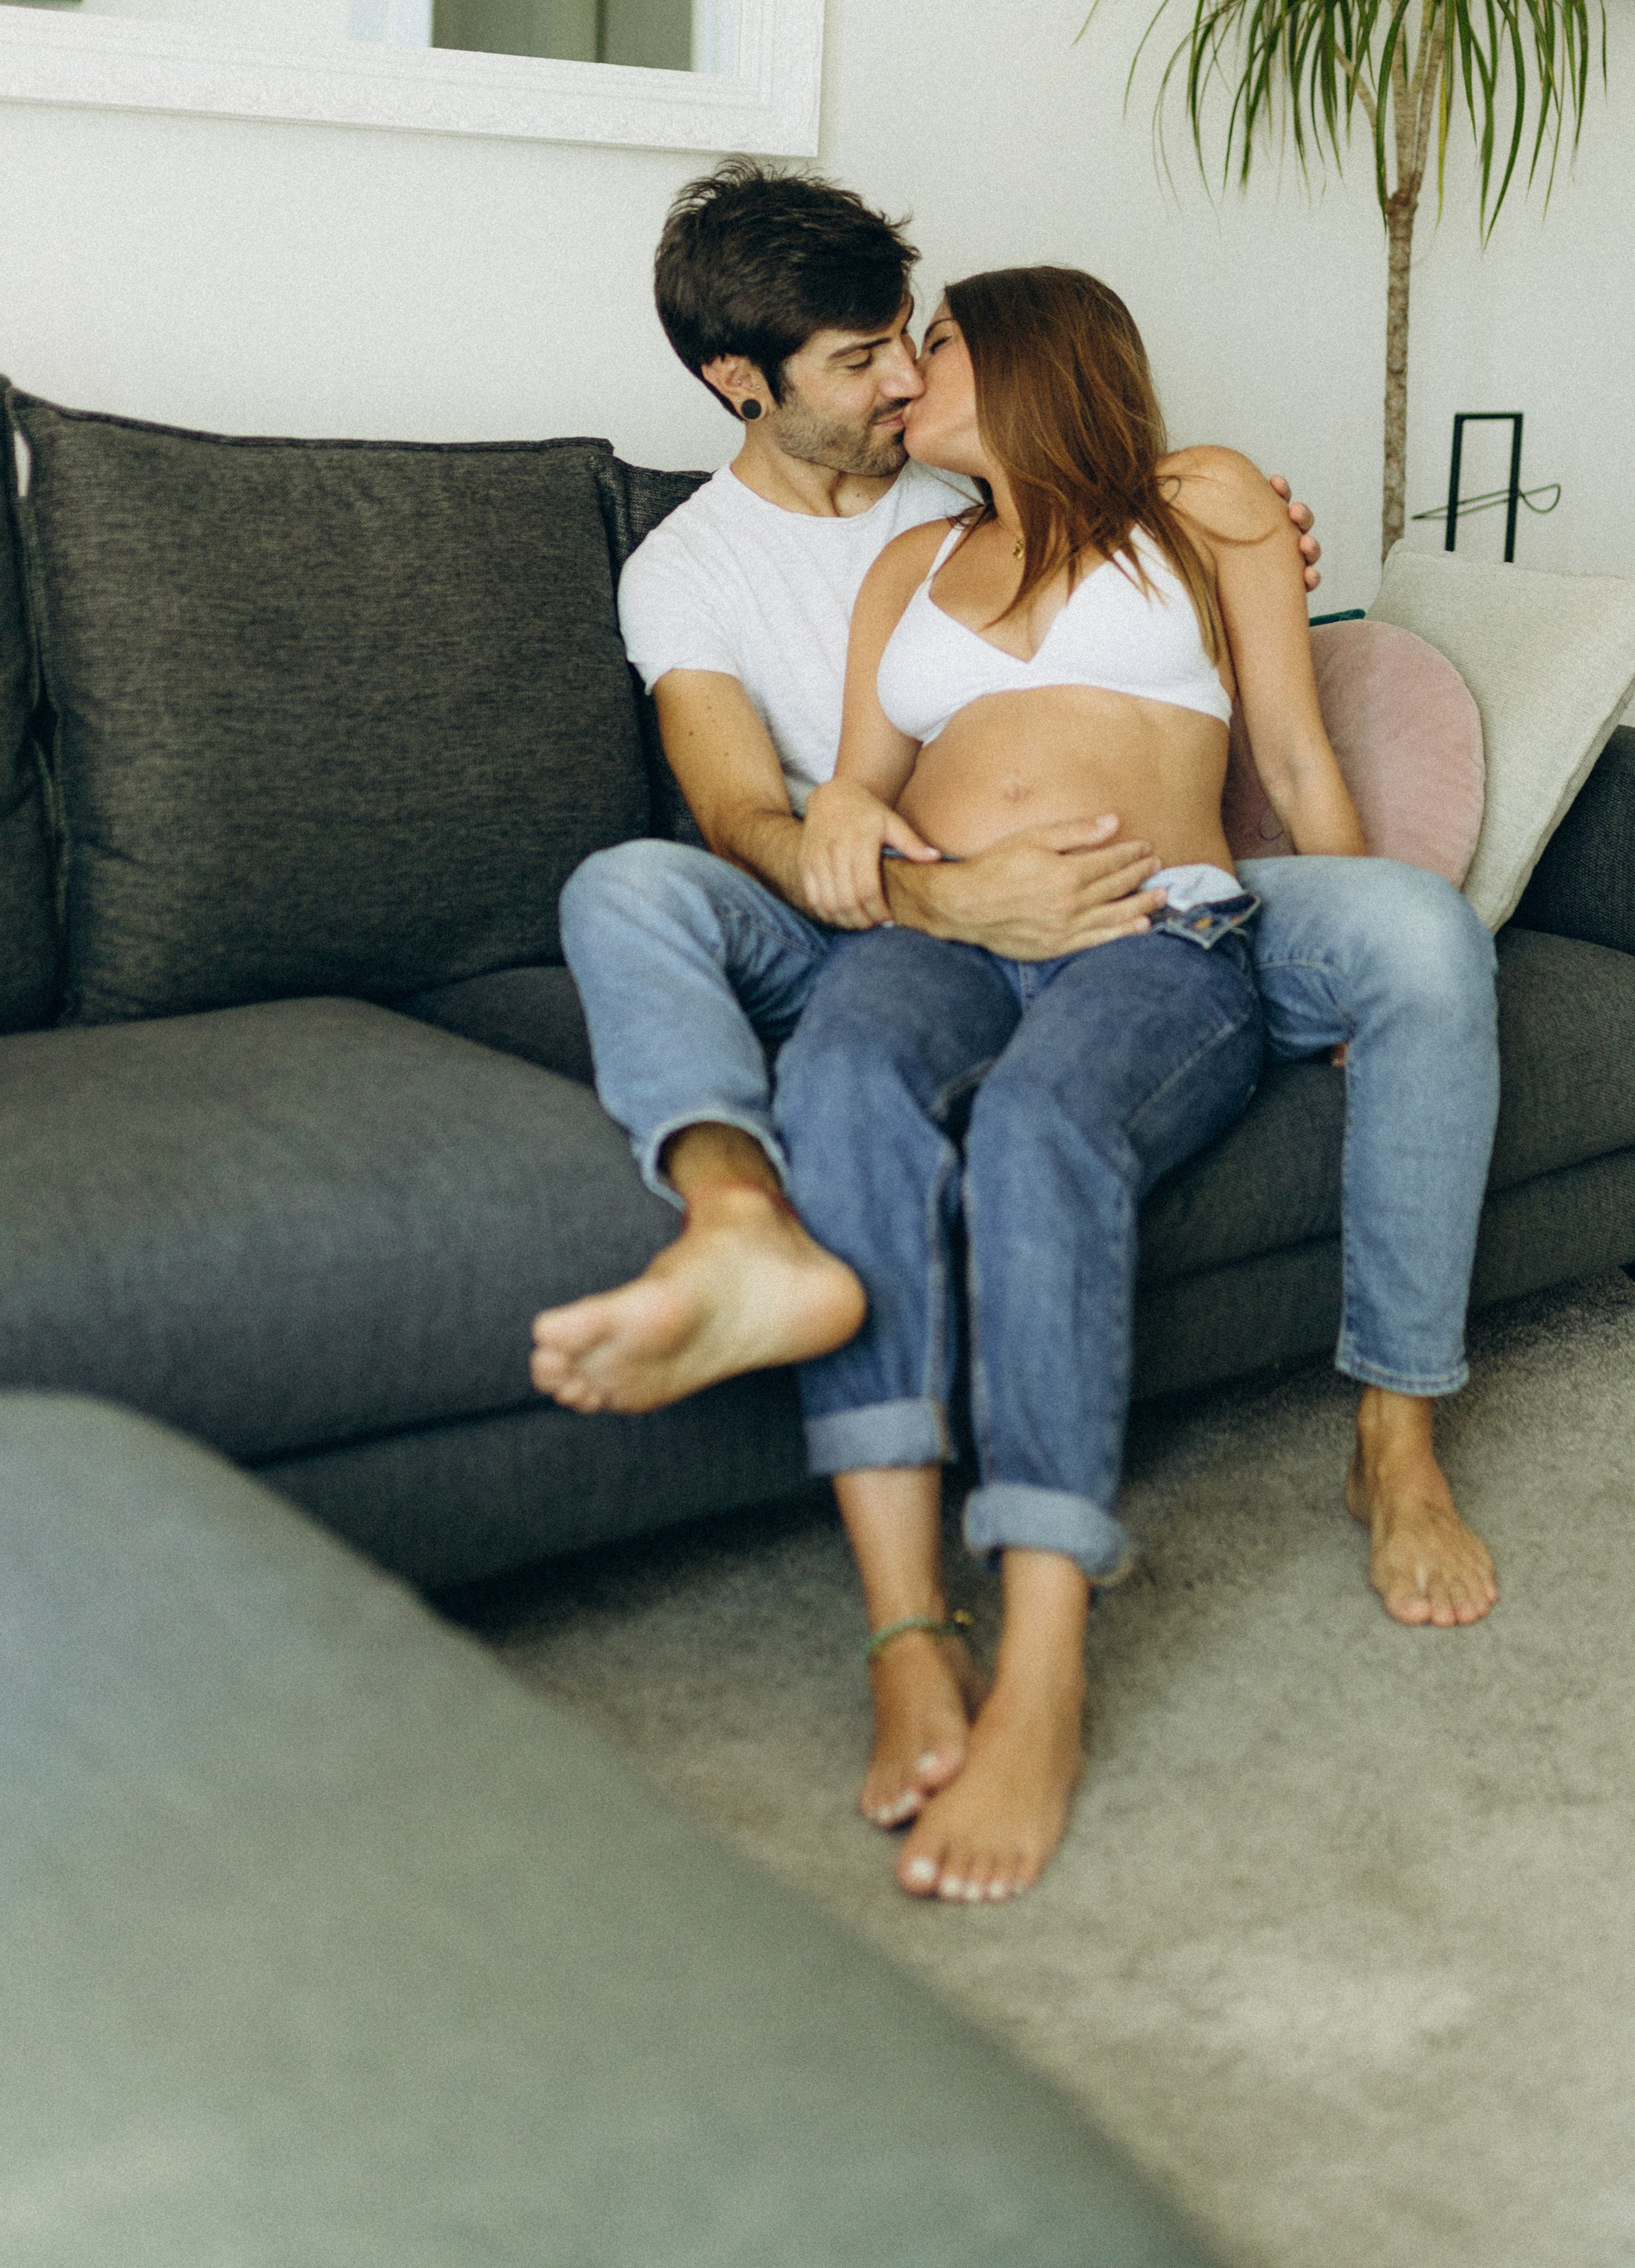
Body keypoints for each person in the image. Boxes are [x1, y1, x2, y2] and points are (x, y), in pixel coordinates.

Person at [530, 162, 1501, 1632]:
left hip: (1147, 891)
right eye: (864, 359)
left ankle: (1394, 1436)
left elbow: (1268, 714)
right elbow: (749, 816)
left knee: (1416, 938)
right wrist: (925, 887)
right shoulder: (698, 571)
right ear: (742, 381)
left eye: (916, 338)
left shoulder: (1039, 495)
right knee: (627, 892)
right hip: (876, 907)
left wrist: (1248, 526)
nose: (903, 379)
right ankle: (738, 1225)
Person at [773, 265, 1364, 1901]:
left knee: (1041, 1126)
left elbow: (1295, 756)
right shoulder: (906, 564)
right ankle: (907, 1633)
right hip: (946, 933)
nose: (905, 378)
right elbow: (857, 797)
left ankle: (1041, 1666)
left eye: (937, 344)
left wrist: (1372, 964)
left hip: (1152, 936)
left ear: (1036, 355)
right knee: (835, 1076)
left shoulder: (1201, 511)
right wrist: (843, 825)